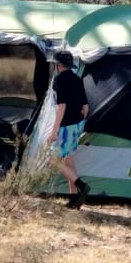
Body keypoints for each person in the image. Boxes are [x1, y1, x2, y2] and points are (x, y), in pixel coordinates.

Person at [49, 49, 90, 206]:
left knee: (53, 160)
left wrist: (54, 132)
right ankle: (74, 198)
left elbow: (61, 107)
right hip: (78, 124)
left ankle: (81, 185)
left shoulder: (59, 80)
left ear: (58, 65)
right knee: (69, 160)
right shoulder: (77, 79)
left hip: (66, 126)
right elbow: (86, 109)